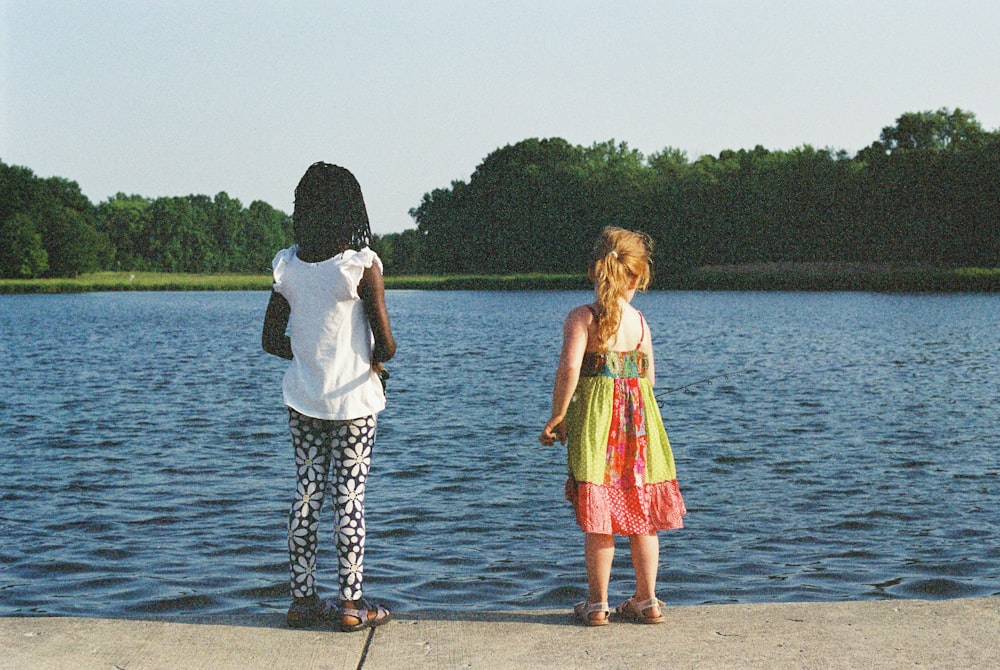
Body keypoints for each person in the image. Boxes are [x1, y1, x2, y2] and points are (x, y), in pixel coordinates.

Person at [262, 162, 396, 632]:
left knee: (307, 492)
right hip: (355, 400)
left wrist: (307, 358)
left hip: (303, 398)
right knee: (350, 497)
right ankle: (351, 604)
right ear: (350, 209)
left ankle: (301, 601)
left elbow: (270, 339)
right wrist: (371, 361)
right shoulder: (361, 267)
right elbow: (389, 344)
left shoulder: (289, 266)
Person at [539, 226, 686, 626]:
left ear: (594, 272)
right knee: (642, 516)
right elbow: (650, 379)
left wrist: (558, 414)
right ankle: (647, 599)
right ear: (637, 277)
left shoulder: (581, 318)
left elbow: (568, 369)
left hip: (597, 430)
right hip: (639, 431)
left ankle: (598, 603)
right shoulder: (639, 322)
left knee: (599, 517)